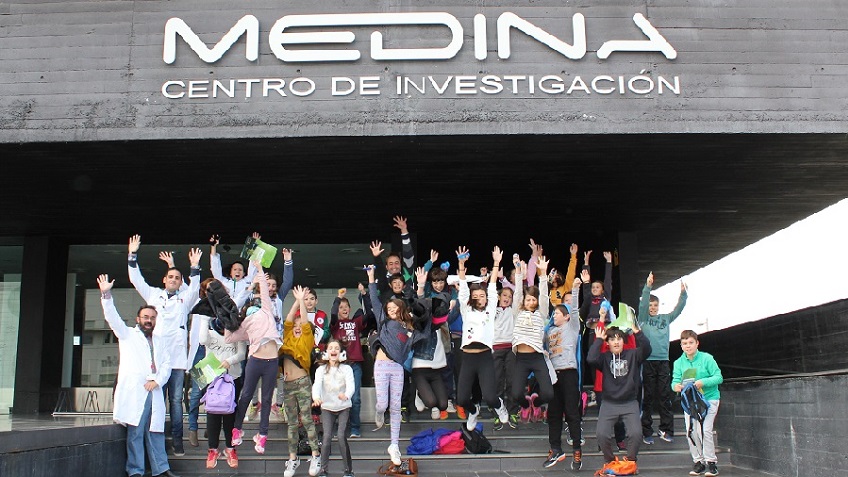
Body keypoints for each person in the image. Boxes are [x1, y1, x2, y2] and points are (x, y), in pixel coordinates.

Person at [97, 274, 179, 477]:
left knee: (156, 431)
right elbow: (112, 318)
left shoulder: (159, 340)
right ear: (138, 319)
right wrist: (106, 294)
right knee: (135, 432)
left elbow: (167, 364)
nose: (149, 321)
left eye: (152, 318)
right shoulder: (127, 335)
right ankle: (135, 471)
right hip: (136, 391)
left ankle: (161, 469)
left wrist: (157, 381)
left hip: (154, 390)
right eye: (146, 317)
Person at [127, 235, 201, 457]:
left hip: (177, 360)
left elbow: (195, 288)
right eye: (170, 276)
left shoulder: (185, 299)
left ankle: (178, 442)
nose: (173, 280)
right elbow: (136, 279)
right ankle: (152, 440)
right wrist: (132, 255)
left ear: (180, 282)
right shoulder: (153, 295)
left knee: (176, 401)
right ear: (164, 279)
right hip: (156, 360)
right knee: (154, 400)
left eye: (177, 278)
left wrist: (195, 267)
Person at [365, 263, 424, 466]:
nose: (390, 310)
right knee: (383, 405)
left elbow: (423, 316)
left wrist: (421, 288)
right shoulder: (383, 320)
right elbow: (373, 301)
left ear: (400, 309)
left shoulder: (409, 327)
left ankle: (394, 445)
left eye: (393, 308)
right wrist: (371, 279)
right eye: (388, 308)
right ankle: (379, 411)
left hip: (397, 367)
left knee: (396, 408)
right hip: (382, 366)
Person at [224, 263, 283, 456]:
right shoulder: (245, 323)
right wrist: (228, 320)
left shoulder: (267, 310)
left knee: (266, 399)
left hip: (271, 361)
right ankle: (237, 429)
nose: (256, 305)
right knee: (246, 395)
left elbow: (264, 293)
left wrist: (259, 270)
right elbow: (229, 337)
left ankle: (262, 434)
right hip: (255, 361)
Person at [455, 246, 511, 431]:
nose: (479, 298)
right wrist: (461, 265)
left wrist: (496, 263)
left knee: (490, 397)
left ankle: (500, 406)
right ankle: (473, 410)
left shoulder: (490, 308)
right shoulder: (466, 309)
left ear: (487, 298)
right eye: (475, 296)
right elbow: (463, 288)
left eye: (482, 295)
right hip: (468, 357)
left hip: (485, 356)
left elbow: (493, 285)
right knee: (462, 399)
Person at [588, 322, 652, 475]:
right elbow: (591, 359)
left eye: (619, 339)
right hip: (609, 403)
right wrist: (598, 340)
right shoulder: (604, 358)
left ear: (624, 341)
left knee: (636, 434)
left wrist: (638, 332)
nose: (616, 342)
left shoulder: (633, 354)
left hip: (629, 403)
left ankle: (630, 462)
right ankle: (610, 462)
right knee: (602, 434)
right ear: (608, 343)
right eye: (612, 339)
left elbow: (647, 349)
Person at [639, 272, 688, 445]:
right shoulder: (643, 319)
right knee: (649, 397)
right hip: (648, 362)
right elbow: (643, 304)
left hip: (663, 361)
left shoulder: (665, 318)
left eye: (655, 305)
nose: (652, 308)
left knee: (664, 396)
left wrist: (683, 294)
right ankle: (647, 431)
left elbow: (678, 309)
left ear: (659, 306)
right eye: (650, 305)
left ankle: (667, 429)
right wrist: (648, 287)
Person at [282, 285, 322, 477]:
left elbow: (305, 323)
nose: (297, 328)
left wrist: (302, 304)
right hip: (287, 385)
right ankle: (292, 459)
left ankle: (315, 455)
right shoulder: (287, 337)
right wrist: (296, 302)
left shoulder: (306, 339)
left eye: (300, 327)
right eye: (295, 327)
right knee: (291, 423)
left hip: (303, 383)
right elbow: (289, 321)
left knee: (306, 420)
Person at [543, 279, 583, 470]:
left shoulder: (572, 327)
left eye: (558, 313)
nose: (555, 315)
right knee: (553, 413)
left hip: (568, 373)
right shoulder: (549, 331)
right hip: (553, 376)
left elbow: (574, 309)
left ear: (566, 317)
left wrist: (574, 289)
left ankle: (576, 449)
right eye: (554, 313)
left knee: (572, 413)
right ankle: (555, 448)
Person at [672, 330, 723, 477]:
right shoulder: (678, 363)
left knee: (705, 430)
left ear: (697, 343)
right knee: (691, 431)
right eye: (684, 343)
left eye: (690, 343)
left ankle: (711, 462)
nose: (688, 346)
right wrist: (676, 386)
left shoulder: (707, 358)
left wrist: (703, 382)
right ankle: (698, 461)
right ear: (681, 345)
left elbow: (718, 377)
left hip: (709, 398)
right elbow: (675, 380)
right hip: (690, 401)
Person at [511, 256, 555, 423]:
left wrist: (543, 274)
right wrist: (519, 273)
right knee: (516, 394)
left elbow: (544, 295)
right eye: (528, 299)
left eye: (533, 299)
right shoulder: (518, 312)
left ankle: (535, 403)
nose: (531, 301)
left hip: (537, 357)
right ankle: (525, 404)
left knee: (549, 393)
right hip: (521, 358)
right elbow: (517, 294)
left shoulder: (540, 313)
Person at [312, 338, 356, 477]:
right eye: (331, 348)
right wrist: (316, 398)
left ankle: (348, 470)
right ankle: (324, 469)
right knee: (327, 437)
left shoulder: (346, 369)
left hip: (343, 406)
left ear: (341, 352)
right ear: (326, 352)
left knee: (342, 436)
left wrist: (346, 395)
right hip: (327, 407)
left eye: (336, 348)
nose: (333, 351)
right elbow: (316, 385)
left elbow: (351, 386)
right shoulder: (320, 370)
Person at [330, 287, 368, 438]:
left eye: (346, 307)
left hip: (355, 365)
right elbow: (332, 314)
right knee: (336, 397)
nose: (344, 309)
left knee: (355, 398)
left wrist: (364, 295)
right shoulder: (336, 325)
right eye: (341, 307)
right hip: (339, 366)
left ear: (350, 309)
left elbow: (369, 313)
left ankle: (355, 429)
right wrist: (338, 298)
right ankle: (338, 429)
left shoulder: (355, 323)